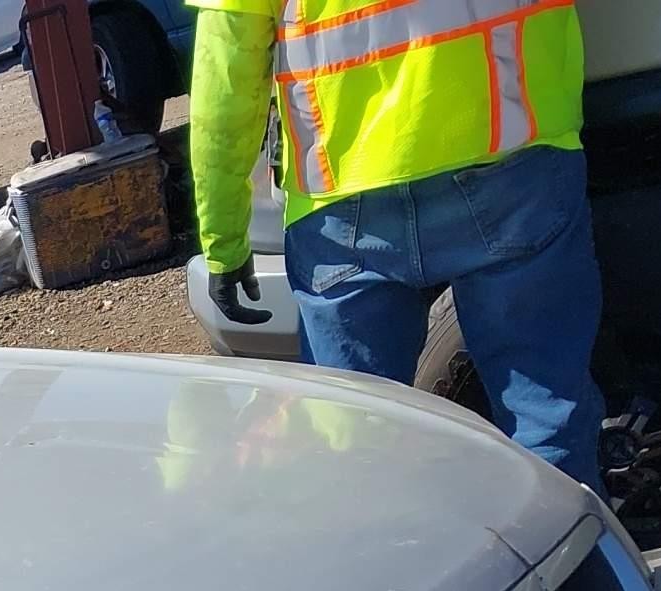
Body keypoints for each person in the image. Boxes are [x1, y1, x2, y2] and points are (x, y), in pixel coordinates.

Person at [187, 0, 608, 494]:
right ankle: (578, 567)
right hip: (510, 161)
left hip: (342, 203)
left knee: (355, 456)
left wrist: (224, 240)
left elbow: (225, 79)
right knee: (546, 424)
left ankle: (384, 567)